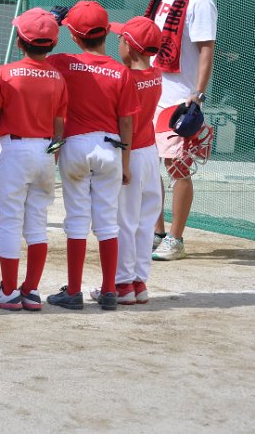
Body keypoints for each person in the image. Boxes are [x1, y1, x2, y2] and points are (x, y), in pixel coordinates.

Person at [45, 1, 138, 310]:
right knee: (107, 222)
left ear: (73, 36)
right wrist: (126, 163)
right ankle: (109, 291)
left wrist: (53, 22)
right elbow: (127, 122)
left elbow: (35, 51)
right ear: (107, 33)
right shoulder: (121, 72)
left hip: (74, 146)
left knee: (76, 219)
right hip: (110, 148)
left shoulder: (62, 62)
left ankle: (73, 291)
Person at [0, 8, 66, 311]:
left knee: (10, 222)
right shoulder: (57, 77)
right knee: (37, 223)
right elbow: (59, 126)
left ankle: (8, 291)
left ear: (19, 42)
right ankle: (30, 291)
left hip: (14, 149)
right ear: (53, 44)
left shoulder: (5, 73)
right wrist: (52, 154)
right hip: (45, 152)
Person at [147, 0, 217, 261]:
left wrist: (198, 95)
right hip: (152, 93)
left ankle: (176, 239)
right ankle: (157, 233)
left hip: (178, 100)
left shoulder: (200, 1)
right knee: (148, 167)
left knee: (177, 168)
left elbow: (206, 50)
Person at [104, 16, 163, 305]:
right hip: (150, 153)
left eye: (121, 39)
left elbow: (123, 121)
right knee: (144, 221)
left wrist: (124, 164)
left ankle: (123, 284)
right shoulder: (156, 73)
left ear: (130, 46)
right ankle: (139, 281)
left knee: (124, 221)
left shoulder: (126, 77)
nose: (118, 42)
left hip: (132, 153)